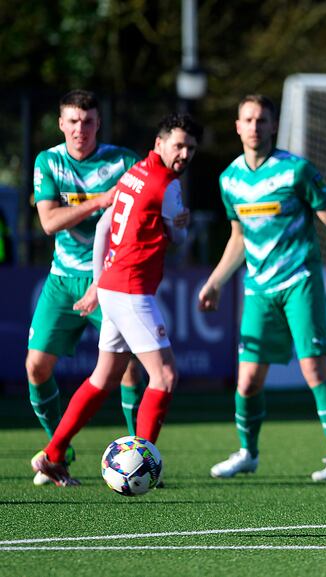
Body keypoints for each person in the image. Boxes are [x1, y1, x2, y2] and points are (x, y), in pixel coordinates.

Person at [198, 94, 326, 482]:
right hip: (258, 290)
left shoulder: (297, 170)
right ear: (238, 126)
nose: (255, 126)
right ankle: (248, 453)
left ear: (273, 125)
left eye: (262, 119)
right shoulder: (230, 179)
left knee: (314, 368)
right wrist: (215, 280)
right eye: (248, 119)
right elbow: (238, 237)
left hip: (300, 282)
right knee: (247, 380)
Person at [31, 113, 201, 486]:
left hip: (113, 284)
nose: (184, 153)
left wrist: (97, 281)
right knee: (166, 376)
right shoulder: (166, 184)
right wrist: (180, 227)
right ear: (160, 144)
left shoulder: (135, 171)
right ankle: (140, 465)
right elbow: (176, 240)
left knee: (104, 377)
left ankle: (53, 455)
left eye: (190, 147)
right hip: (130, 288)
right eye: (178, 145)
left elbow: (105, 226)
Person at [26, 89, 147, 486]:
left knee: (129, 369)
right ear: (61, 124)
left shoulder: (124, 161)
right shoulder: (49, 162)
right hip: (62, 280)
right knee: (36, 367)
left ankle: (141, 455)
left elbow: (140, 218)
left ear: (99, 123)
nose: (81, 129)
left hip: (110, 279)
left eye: (89, 121)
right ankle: (59, 450)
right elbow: (48, 222)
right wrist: (100, 201)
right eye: (73, 121)